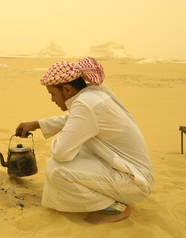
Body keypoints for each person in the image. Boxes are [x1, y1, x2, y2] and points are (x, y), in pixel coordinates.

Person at [15, 57, 153, 224]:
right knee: (68, 159)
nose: (52, 100)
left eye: (53, 94)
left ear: (66, 89)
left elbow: (60, 152)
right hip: (128, 170)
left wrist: (66, 135)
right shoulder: (91, 95)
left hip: (133, 182)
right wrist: (38, 124)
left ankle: (114, 207)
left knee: (58, 170)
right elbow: (76, 119)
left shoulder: (86, 104)